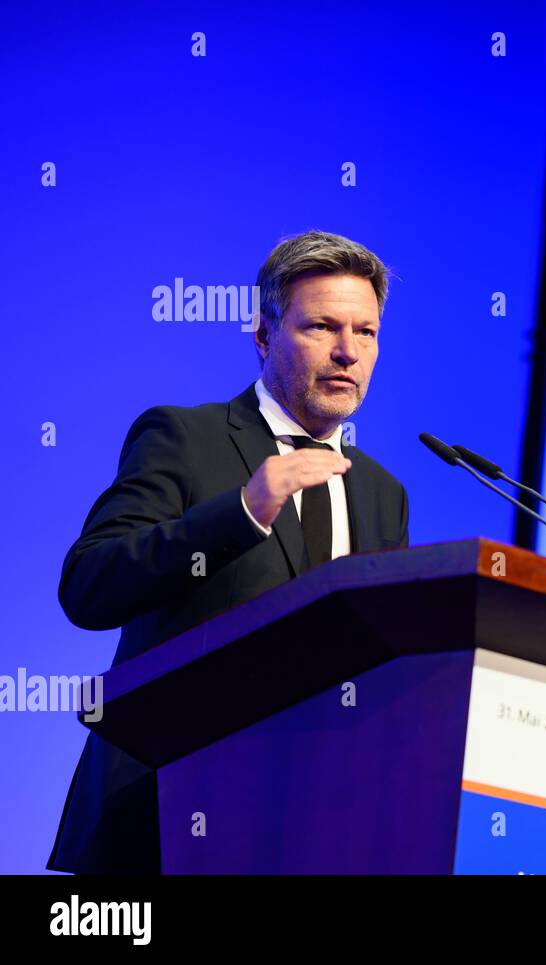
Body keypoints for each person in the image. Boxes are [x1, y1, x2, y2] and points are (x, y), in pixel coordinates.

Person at [49, 231, 410, 873]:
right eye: (322, 326)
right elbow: (88, 584)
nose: (347, 352)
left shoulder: (383, 493)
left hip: (306, 828)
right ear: (264, 336)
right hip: (161, 816)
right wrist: (240, 512)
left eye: (367, 332)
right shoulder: (185, 436)